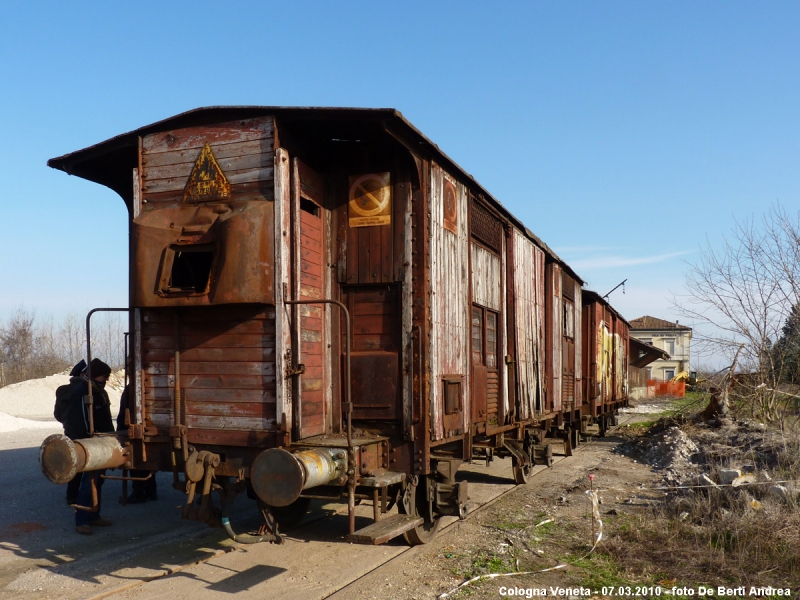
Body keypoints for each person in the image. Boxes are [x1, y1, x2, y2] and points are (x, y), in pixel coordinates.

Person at [60, 358, 116, 535]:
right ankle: (82, 520)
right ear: (95, 375)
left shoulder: (99, 391)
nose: (106, 380)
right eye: (104, 376)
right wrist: (90, 440)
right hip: (90, 443)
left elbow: (105, 417)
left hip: (102, 442)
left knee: (98, 481)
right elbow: (82, 420)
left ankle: (94, 515)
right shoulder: (83, 391)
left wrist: (111, 436)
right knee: (88, 482)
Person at [116, 384, 158, 503]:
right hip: (147, 428)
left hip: (133, 429)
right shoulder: (148, 386)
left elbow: (124, 411)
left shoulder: (132, 388)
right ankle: (151, 491)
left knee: (135, 461)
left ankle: (138, 493)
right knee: (147, 457)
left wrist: (120, 431)